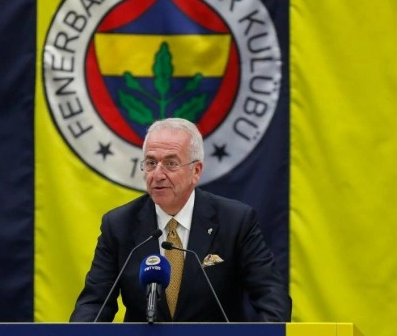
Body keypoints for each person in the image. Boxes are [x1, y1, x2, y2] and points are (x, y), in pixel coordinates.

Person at [70, 118, 291, 322]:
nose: (157, 175)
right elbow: (94, 304)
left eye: (171, 163)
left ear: (196, 171)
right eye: (151, 163)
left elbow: (272, 297)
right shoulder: (119, 225)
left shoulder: (235, 221)